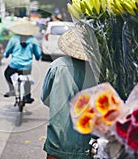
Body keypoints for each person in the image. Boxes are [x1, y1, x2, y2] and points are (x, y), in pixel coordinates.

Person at [41, 28, 97, 159]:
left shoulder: (57, 66)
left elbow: (46, 98)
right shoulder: (100, 70)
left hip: (59, 142)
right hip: (90, 144)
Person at [3, 19, 42, 104]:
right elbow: (38, 53)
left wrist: (6, 55)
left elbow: (8, 50)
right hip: (27, 66)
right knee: (27, 79)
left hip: (14, 65)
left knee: (7, 73)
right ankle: (27, 97)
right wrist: (38, 57)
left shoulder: (14, 38)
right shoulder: (33, 40)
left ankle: (12, 89)